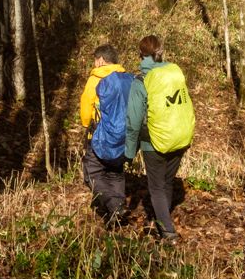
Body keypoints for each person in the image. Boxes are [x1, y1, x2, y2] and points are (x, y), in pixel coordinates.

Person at [125, 35, 195, 241]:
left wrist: (129, 152)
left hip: (153, 141)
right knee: (166, 182)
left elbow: (133, 121)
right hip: (179, 136)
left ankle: (167, 231)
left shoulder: (142, 81)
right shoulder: (174, 72)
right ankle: (162, 218)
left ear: (141, 55)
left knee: (155, 186)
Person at [79, 44, 130, 224]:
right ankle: (117, 211)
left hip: (100, 135)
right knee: (115, 171)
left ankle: (114, 205)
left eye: (94, 60)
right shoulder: (126, 78)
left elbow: (86, 109)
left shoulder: (96, 78)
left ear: (100, 60)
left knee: (91, 172)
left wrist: (87, 126)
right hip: (123, 136)